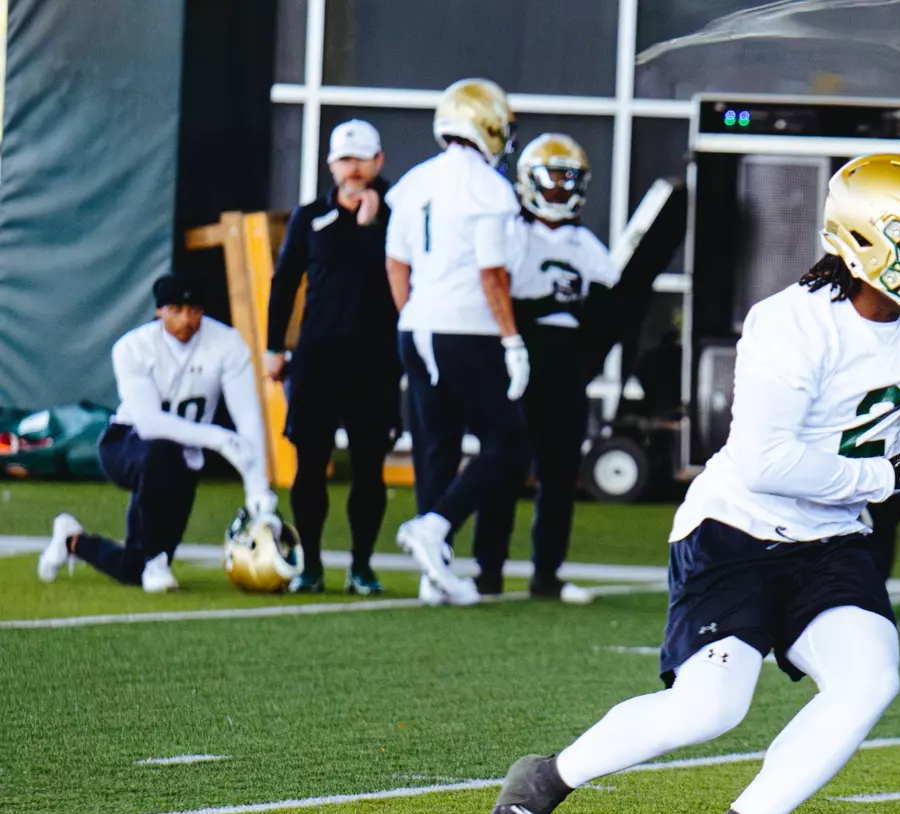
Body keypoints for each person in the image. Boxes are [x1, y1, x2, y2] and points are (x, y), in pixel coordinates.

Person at [478, 153, 900, 814]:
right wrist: (892, 477)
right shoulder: (789, 323)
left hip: (831, 539)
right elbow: (765, 462)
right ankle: (543, 781)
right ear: (866, 241)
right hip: (735, 530)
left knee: (871, 679)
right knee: (711, 708)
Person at [385, 78, 532, 605]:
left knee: (436, 446)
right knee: (509, 442)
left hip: (417, 327)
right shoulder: (486, 188)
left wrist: (415, 315)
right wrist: (512, 340)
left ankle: (434, 572)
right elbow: (493, 273)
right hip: (465, 329)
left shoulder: (414, 181)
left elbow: (396, 263)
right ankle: (436, 527)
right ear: (486, 123)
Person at [36, 274, 277, 591]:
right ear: (159, 311)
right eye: (176, 309)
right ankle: (154, 561)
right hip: (126, 444)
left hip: (184, 457)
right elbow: (149, 423)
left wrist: (257, 489)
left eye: (193, 310)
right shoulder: (133, 347)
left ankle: (73, 541)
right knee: (158, 450)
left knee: (131, 569)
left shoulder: (226, 344)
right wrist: (218, 438)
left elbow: (248, 418)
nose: (186, 319)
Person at [266, 119, 401, 596]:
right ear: (331, 164)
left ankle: (361, 566)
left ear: (378, 161)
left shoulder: (398, 214)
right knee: (309, 465)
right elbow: (284, 283)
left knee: (369, 467)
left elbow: (402, 275)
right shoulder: (309, 217)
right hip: (319, 357)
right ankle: (312, 565)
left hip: (376, 359)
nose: (354, 168)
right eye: (345, 159)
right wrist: (273, 346)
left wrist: (370, 226)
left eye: (363, 158)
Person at [493, 132, 618, 603]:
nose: (560, 190)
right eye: (552, 180)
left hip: (567, 362)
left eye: (569, 180)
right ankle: (489, 569)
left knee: (560, 471)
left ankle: (546, 572)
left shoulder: (587, 244)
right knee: (505, 463)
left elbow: (608, 309)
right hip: (522, 355)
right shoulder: (513, 235)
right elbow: (499, 295)